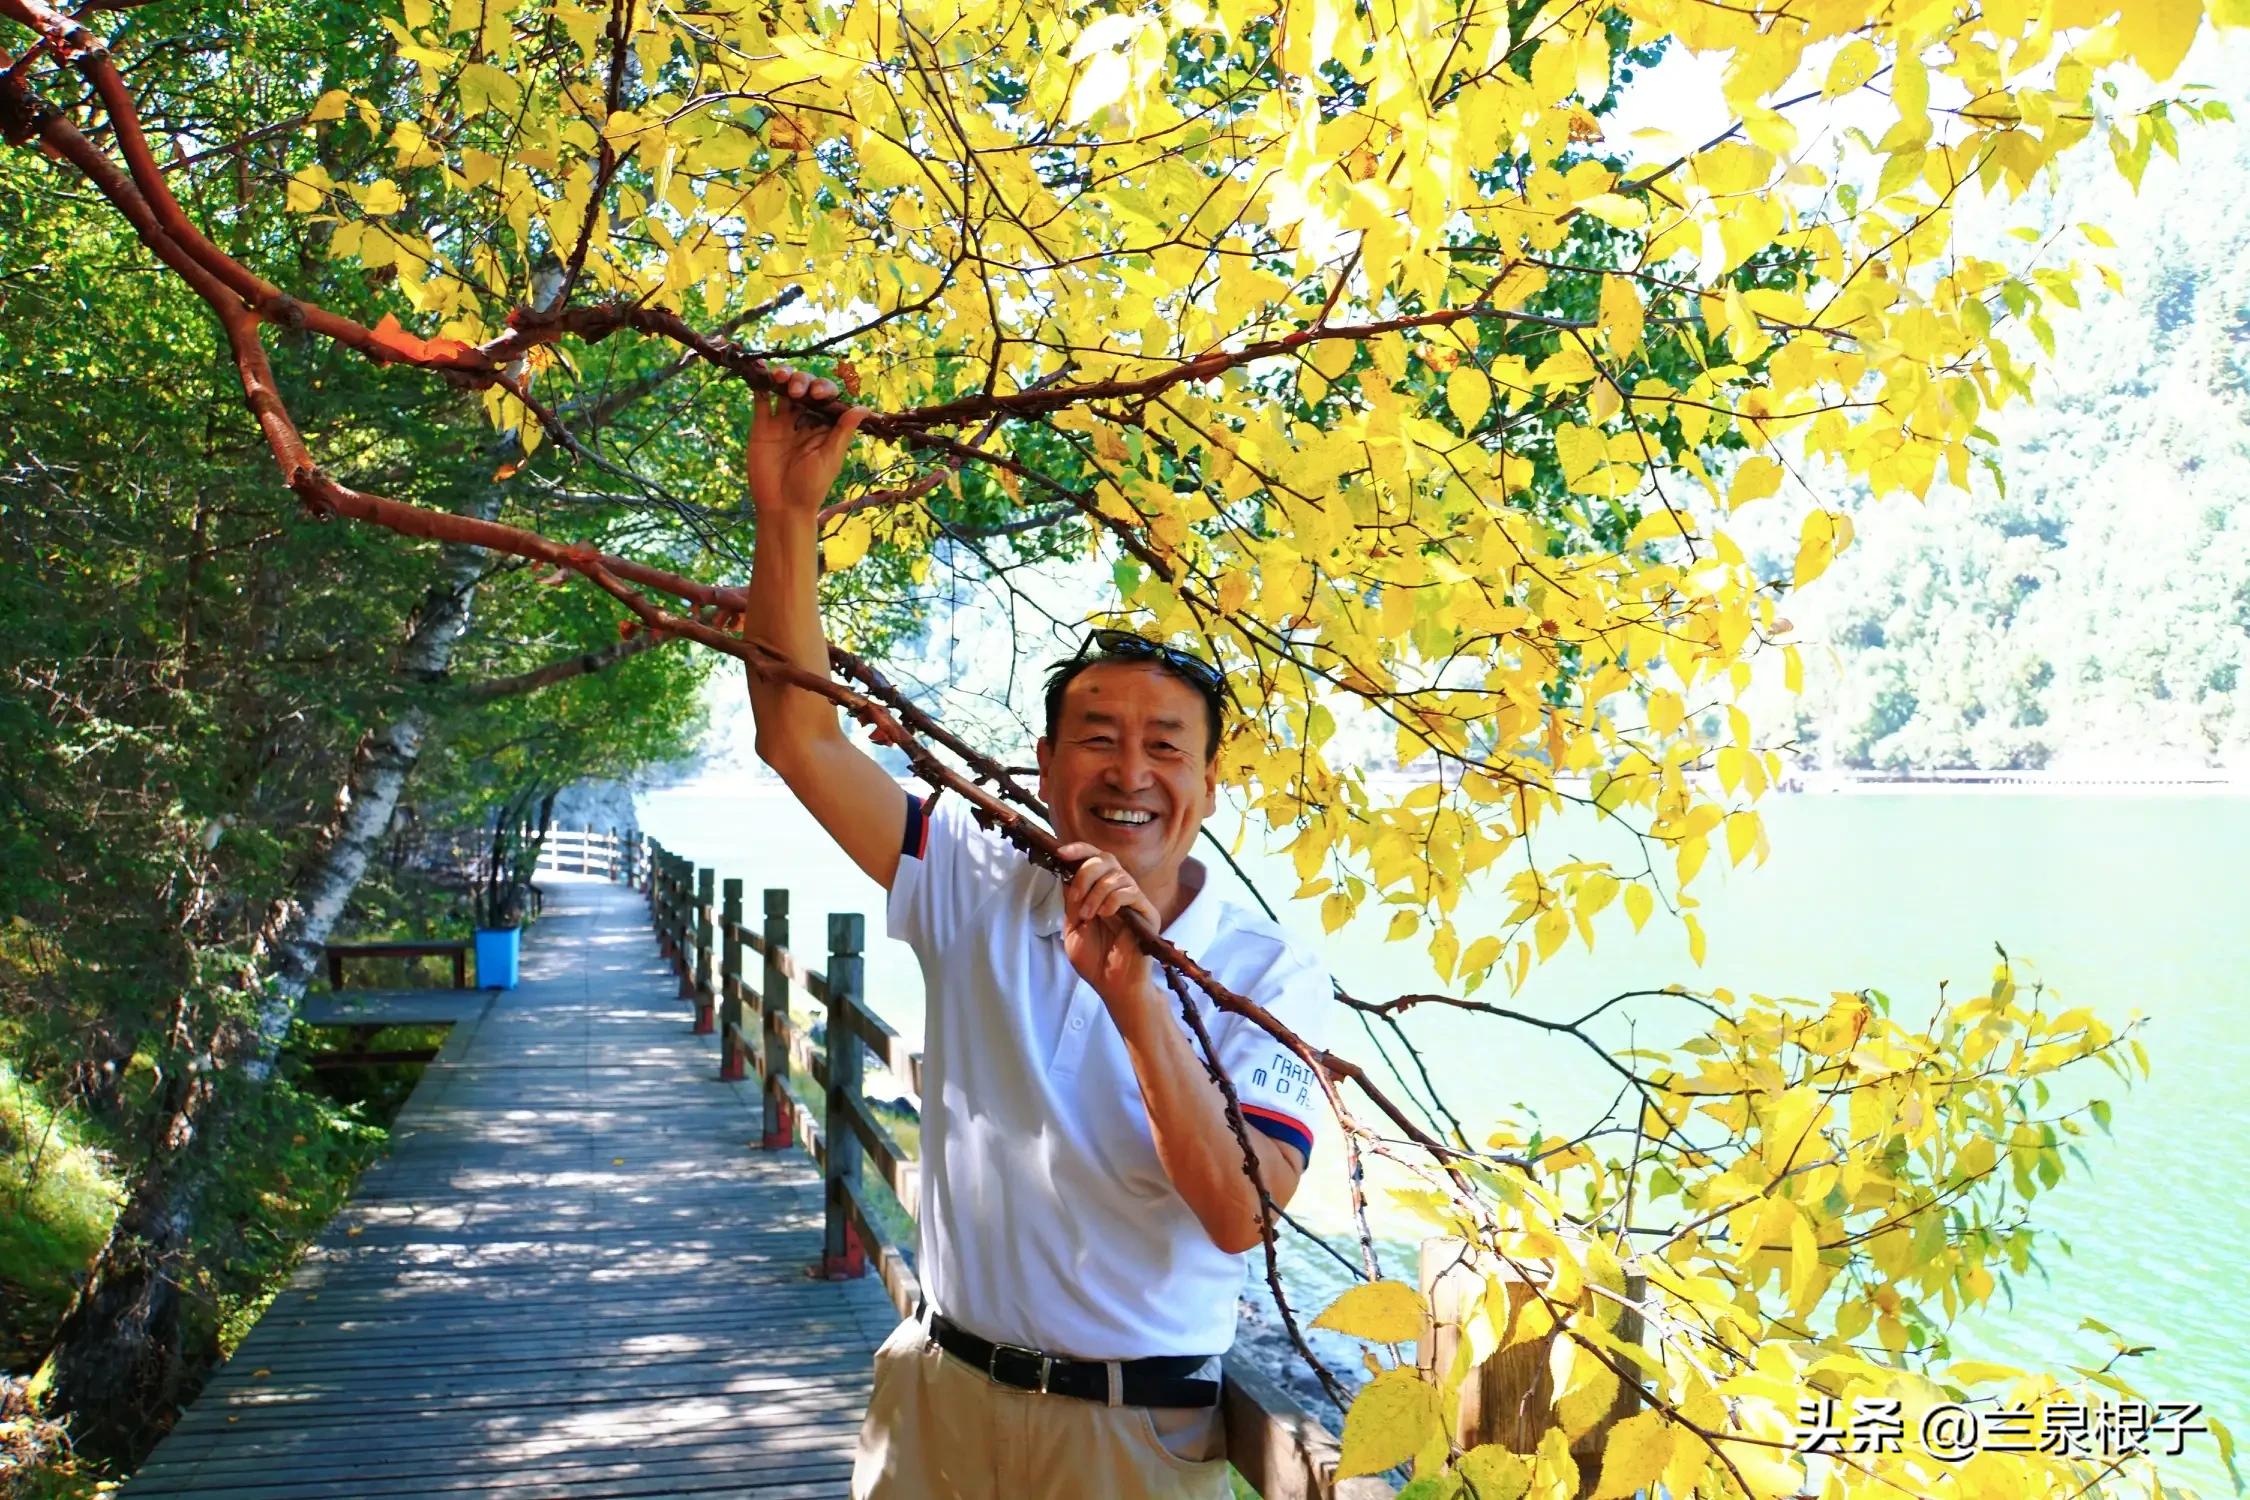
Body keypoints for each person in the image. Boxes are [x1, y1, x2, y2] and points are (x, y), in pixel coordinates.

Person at [743, 366, 1334, 1500]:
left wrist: (1135, 1004)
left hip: (1129, 1439)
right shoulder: (974, 875)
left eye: (1167, 747)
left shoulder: (1270, 976)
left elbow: (1238, 1214)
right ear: (1048, 767)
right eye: (1097, 738)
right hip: (937, 1402)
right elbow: (800, 745)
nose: (1130, 771)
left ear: (1209, 785)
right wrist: (788, 513)